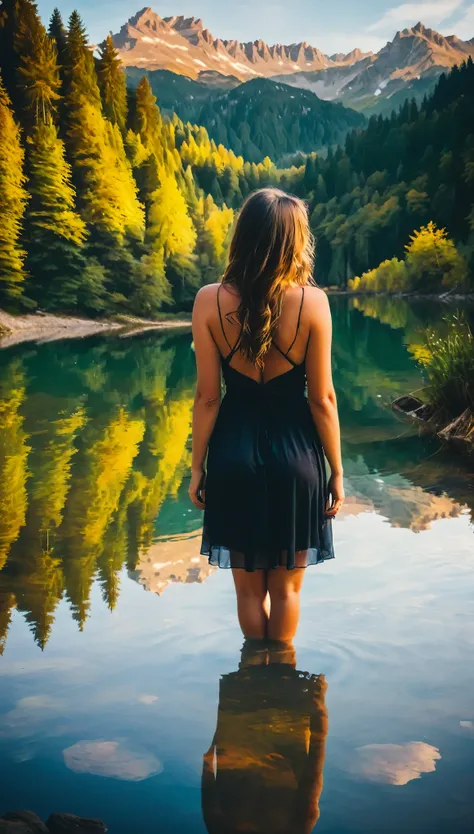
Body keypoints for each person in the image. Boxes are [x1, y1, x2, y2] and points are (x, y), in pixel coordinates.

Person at [190, 188, 344, 642]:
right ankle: (279, 690)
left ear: (244, 236)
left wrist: (197, 467)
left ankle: (253, 679)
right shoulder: (313, 303)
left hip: (233, 457)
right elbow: (323, 400)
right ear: (293, 241)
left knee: (247, 594)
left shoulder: (207, 301)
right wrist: (337, 471)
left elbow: (207, 398)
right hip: (297, 460)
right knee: (288, 592)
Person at [201, 640, 328, 834]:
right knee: (261, 657)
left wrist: (320, 716)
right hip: (258, 743)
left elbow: (313, 780)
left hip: (268, 742)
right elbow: (313, 780)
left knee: (278, 655)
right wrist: (319, 715)